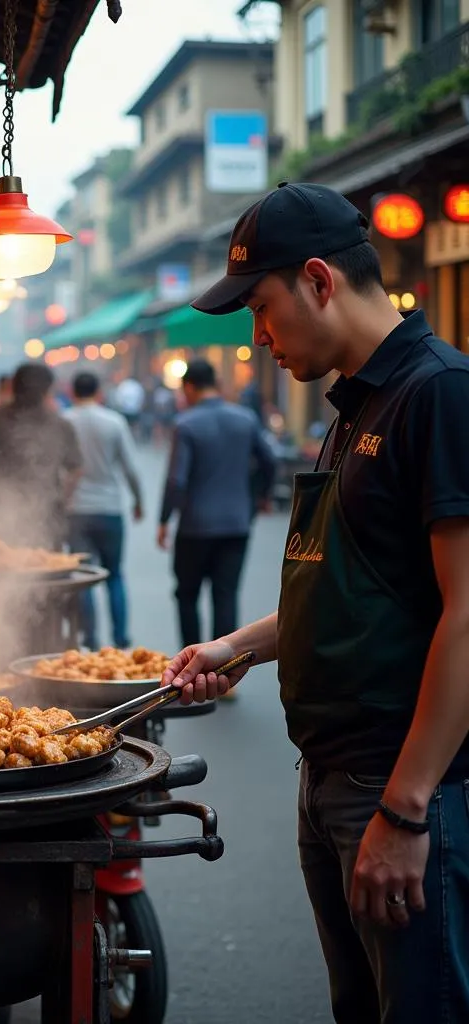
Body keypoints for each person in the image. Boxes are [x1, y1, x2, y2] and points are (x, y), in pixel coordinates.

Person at [163, 182, 469, 1024]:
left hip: (405, 790)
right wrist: (237, 647)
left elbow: (466, 615)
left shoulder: (439, 394)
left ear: (318, 281)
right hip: (331, 777)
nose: (258, 340)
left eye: (261, 309)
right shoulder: (355, 402)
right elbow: (349, 582)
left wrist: (405, 814)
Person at [158, 358, 275, 653]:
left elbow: (176, 481)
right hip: (236, 523)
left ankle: (191, 664)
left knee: (187, 595)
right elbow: (269, 460)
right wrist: (262, 495)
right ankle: (223, 670)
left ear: (188, 388)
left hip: (195, 526)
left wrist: (163, 520)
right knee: (226, 594)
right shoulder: (245, 418)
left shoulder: (185, 424)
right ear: (218, 384)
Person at [64, 372, 144, 650]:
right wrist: (139, 501)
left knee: (83, 577)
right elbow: (130, 468)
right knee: (115, 574)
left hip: (75, 509)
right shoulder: (114, 421)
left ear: (72, 392)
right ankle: (121, 640)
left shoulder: (65, 422)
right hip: (109, 508)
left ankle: (91, 640)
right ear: (98, 392)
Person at [0, 363, 83, 550]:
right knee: (46, 570)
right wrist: (63, 500)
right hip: (46, 511)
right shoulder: (59, 424)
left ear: (13, 386)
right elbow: (76, 469)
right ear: (48, 390)